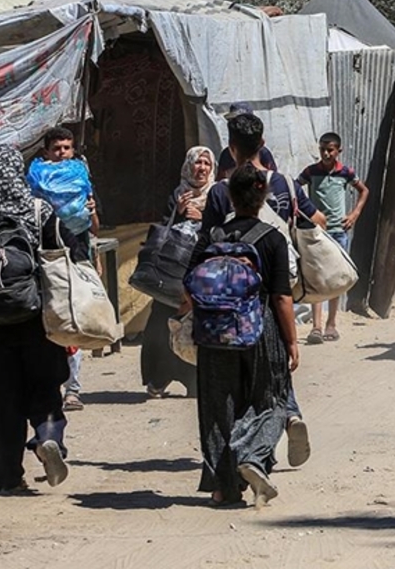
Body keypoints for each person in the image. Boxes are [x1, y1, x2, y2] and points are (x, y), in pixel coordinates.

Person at [0, 145, 87, 492]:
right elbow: (74, 254)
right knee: (44, 387)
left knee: (1, 404)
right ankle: (47, 437)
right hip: (37, 321)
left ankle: (8, 478)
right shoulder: (40, 212)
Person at [202, 113, 324, 470]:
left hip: (229, 296)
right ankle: (288, 416)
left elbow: (205, 244)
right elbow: (317, 221)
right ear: (264, 141)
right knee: (272, 364)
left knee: (243, 381)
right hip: (277, 285)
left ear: (231, 147)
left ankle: (250, 450)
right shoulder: (285, 184)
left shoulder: (221, 192)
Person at [186, 164, 300, 505]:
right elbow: (281, 297)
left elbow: (188, 285)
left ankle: (223, 488)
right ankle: (253, 456)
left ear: (230, 197)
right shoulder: (273, 238)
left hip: (213, 331)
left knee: (217, 408)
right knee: (273, 400)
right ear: (262, 195)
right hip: (260, 329)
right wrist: (292, 341)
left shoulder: (211, 237)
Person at [26, 127, 98, 413]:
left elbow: (94, 228)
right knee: (48, 324)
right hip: (45, 258)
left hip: (77, 257)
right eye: (56, 148)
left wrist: (90, 210)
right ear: (46, 151)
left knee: (73, 321)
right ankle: (49, 387)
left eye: (66, 148)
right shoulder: (34, 182)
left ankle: (73, 388)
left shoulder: (81, 179)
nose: (62, 153)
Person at [138, 146, 216, 399]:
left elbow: (223, 226)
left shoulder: (216, 194)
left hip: (201, 271)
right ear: (188, 166)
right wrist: (180, 213)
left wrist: (204, 218)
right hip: (172, 272)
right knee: (162, 322)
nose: (202, 168)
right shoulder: (178, 194)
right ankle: (158, 378)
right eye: (197, 162)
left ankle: (194, 379)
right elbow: (165, 225)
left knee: (195, 322)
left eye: (206, 163)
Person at [297, 132, 369, 344]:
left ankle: (331, 323)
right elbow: (295, 189)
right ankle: (316, 326)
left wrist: (354, 214)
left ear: (339, 150)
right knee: (316, 276)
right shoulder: (311, 172)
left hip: (338, 231)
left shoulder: (345, 173)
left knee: (336, 278)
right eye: (322, 150)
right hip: (318, 232)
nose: (326, 153)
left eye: (330, 150)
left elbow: (364, 191)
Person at [216, 103, 278, 179]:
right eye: (233, 122)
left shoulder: (263, 153)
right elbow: (220, 179)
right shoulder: (226, 155)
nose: (238, 126)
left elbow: (272, 179)